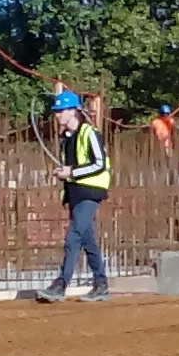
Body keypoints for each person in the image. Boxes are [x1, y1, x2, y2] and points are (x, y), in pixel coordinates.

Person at [36, 90, 111, 303]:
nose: (57, 115)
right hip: (75, 193)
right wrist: (64, 173)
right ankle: (101, 284)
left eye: (61, 111)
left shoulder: (90, 133)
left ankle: (61, 284)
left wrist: (72, 172)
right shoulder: (67, 139)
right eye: (56, 111)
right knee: (88, 240)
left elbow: (100, 164)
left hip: (91, 192)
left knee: (73, 237)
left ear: (73, 111)